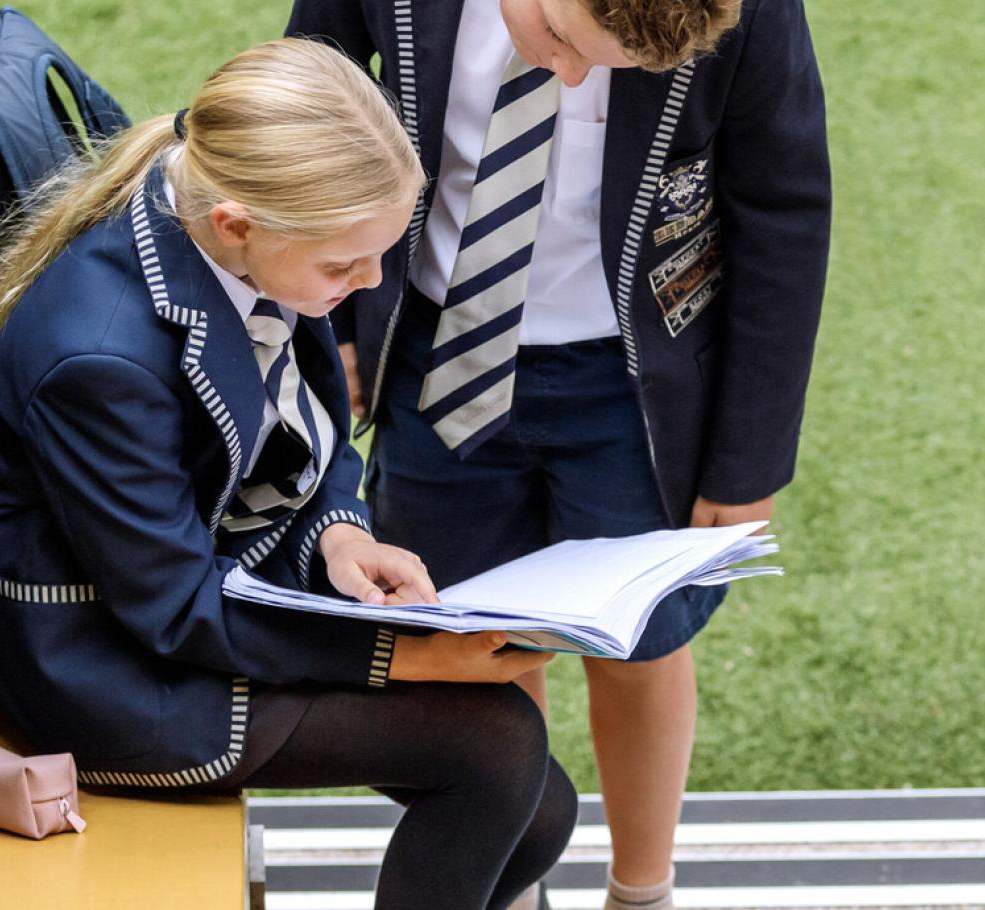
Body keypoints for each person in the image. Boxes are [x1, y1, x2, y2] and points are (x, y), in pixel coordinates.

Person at [0, 39, 578, 910]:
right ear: (236, 222)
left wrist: (344, 531)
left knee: (543, 807)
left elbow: (313, 436)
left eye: (381, 254)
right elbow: (170, 611)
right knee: (495, 750)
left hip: (217, 598)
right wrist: (399, 657)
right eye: (345, 265)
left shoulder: (262, 248)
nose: (369, 284)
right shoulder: (99, 358)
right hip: (107, 670)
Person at [285, 0, 831, 907]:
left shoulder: (750, 8)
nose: (571, 75)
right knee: (474, 634)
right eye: (561, 42)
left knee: (640, 637)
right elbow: (310, 89)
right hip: (438, 351)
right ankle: (515, 876)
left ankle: (641, 890)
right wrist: (335, 322)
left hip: (637, 378)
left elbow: (782, 202)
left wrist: (751, 450)